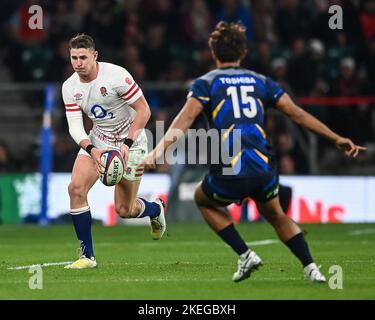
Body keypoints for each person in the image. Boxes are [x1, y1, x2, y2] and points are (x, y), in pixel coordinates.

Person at [142, 22, 366, 283]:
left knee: (202, 198)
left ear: (213, 53)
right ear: (243, 53)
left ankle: (245, 253)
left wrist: (157, 151)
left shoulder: (206, 83)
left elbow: (185, 119)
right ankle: (311, 268)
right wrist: (336, 138)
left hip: (230, 169)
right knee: (276, 214)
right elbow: (297, 114)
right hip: (263, 167)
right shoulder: (261, 81)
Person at [61, 34, 166, 269]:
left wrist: (127, 145)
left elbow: (144, 111)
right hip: (98, 141)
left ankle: (154, 209)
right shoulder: (69, 87)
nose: (78, 63)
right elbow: (75, 127)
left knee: (125, 210)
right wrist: (91, 149)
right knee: (75, 188)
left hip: (132, 143)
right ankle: (87, 256)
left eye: (83, 57)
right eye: (74, 58)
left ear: (94, 56)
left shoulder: (116, 75)